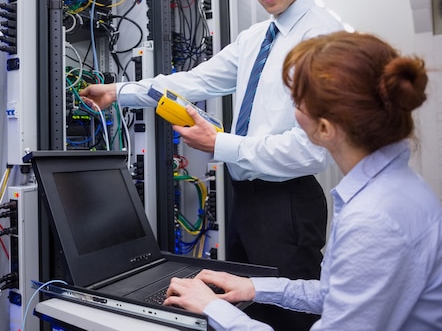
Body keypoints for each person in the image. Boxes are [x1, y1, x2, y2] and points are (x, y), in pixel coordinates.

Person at [80, 0, 344, 329]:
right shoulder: (256, 37)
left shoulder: (327, 38)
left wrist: (220, 145)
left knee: (286, 317)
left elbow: (312, 148)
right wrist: (120, 91)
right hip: (246, 198)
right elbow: (194, 81)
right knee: (244, 306)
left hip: (288, 204)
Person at [162, 31, 442, 331]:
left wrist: (213, 309)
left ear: (325, 128)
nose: (293, 114)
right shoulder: (392, 188)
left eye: (295, 101)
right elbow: (334, 293)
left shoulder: (373, 219)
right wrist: (254, 288)